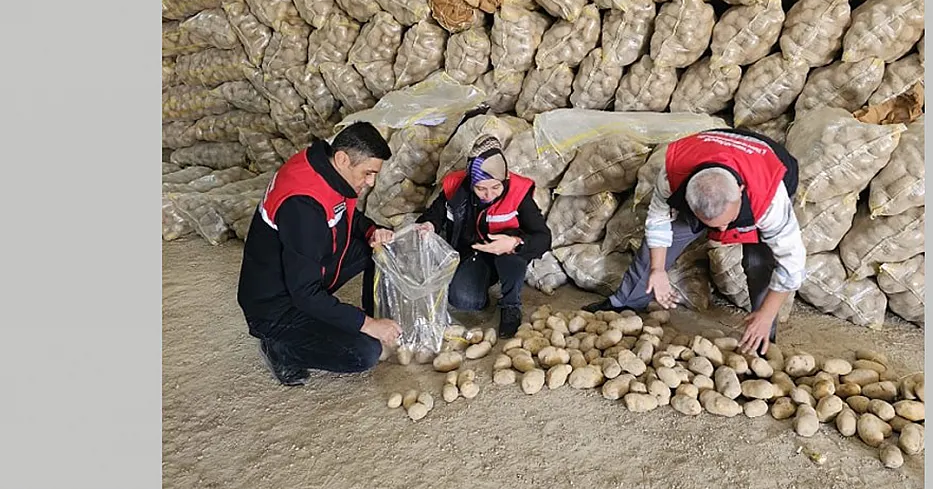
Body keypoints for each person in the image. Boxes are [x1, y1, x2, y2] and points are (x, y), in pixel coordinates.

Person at [582, 128, 807, 356]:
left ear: (740, 191)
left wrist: (767, 314)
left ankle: (761, 336)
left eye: (726, 222)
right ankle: (624, 304)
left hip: (768, 168)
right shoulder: (672, 177)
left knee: (759, 262)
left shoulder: (770, 199)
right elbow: (658, 222)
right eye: (713, 224)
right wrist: (658, 270)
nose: (721, 231)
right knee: (664, 242)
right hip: (707, 164)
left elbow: (792, 264)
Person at [237, 122, 403, 386]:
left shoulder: (325, 168)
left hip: (306, 268)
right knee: (365, 353)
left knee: (379, 248)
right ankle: (281, 349)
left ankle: (374, 319)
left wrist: (373, 230)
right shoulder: (303, 205)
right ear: (342, 158)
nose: (371, 182)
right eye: (368, 173)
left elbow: (346, 214)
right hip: (276, 305)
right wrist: (367, 325)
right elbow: (305, 293)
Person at [414, 135, 552, 338]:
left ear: (504, 179)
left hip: (508, 253)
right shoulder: (456, 187)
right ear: (471, 182)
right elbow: (435, 212)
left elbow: (543, 237)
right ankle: (484, 278)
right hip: (474, 252)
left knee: (512, 258)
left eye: (496, 187)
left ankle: (511, 304)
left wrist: (515, 243)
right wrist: (428, 224)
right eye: (481, 188)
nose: (489, 195)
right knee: (464, 301)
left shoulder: (518, 192)